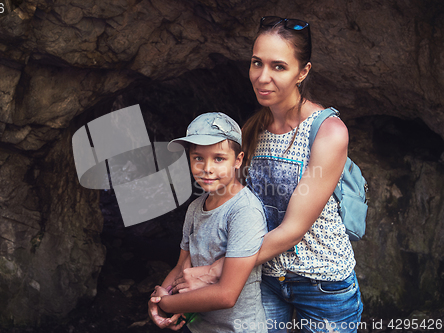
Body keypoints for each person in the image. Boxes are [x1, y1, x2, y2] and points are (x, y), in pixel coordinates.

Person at [170, 16, 363, 333]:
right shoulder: (250, 131)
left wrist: (212, 273)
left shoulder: (328, 132)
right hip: (263, 277)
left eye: (278, 66)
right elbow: (228, 208)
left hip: (322, 285)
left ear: (303, 72)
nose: (262, 77)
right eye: (256, 63)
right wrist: (180, 283)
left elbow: (293, 230)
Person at [148, 112, 268, 332]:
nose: (207, 168)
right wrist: (158, 299)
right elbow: (180, 267)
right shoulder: (195, 208)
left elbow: (226, 295)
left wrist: (168, 302)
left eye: (219, 158)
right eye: (198, 158)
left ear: (238, 160)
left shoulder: (244, 211)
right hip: (201, 326)